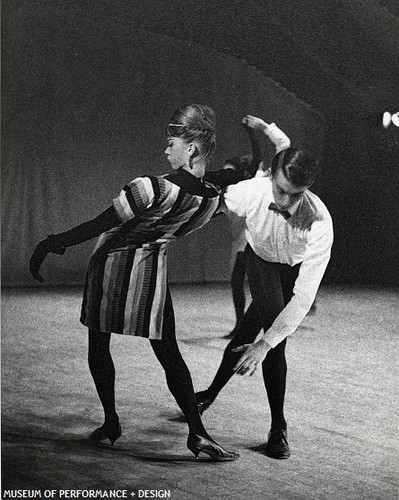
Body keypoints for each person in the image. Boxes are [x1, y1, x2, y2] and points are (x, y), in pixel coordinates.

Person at [28, 104, 258, 462]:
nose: (166, 149)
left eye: (172, 142)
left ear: (191, 148)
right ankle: (197, 433)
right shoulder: (209, 198)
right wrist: (251, 145)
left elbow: (99, 224)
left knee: (100, 344)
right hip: (151, 269)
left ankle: (111, 424)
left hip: (111, 264)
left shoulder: (150, 188)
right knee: (169, 353)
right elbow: (215, 177)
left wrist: (51, 243)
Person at [195, 115, 334, 460]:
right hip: (260, 262)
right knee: (272, 335)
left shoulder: (320, 221)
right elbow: (206, 209)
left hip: (292, 271)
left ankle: (209, 394)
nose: (285, 202)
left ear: (308, 188)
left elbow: (303, 298)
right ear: (272, 176)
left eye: (295, 195)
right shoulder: (252, 190)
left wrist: (263, 344)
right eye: (280, 190)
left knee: (250, 334)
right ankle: (278, 429)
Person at [222, 118, 291, 338]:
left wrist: (257, 129)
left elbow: (276, 148)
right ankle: (241, 323)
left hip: (262, 240)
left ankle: (268, 323)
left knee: (265, 284)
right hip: (241, 241)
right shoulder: (234, 191)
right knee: (237, 282)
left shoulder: (263, 179)